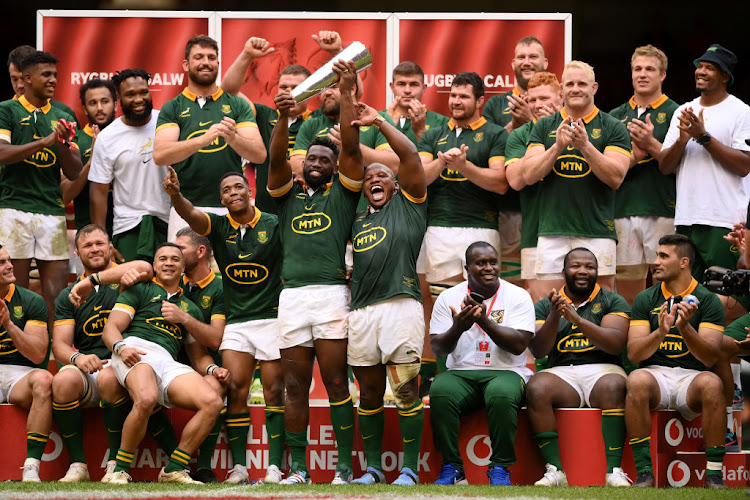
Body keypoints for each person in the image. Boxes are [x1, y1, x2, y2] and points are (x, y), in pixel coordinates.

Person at [268, 60, 363, 485]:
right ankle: (299, 469)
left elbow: (353, 149)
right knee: (294, 386)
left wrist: (345, 93)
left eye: (327, 158)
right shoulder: (286, 197)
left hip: (330, 296)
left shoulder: (343, 196)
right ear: (301, 164)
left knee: (338, 382)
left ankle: (344, 467)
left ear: (335, 166)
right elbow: (274, 160)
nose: (318, 162)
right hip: (292, 298)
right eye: (312, 158)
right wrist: (284, 118)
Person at [164, 169, 286, 484]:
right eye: (226, 189)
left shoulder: (272, 222)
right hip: (238, 322)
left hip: (271, 317)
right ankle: (240, 467)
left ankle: (274, 467)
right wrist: (176, 194)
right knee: (235, 391)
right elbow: (191, 215)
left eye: (238, 186)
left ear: (249, 191)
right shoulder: (218, 225)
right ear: (222, 199)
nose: (232, 191)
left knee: (274, 391)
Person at [340, 94, 427, 484]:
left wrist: (379, 123)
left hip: (401, 305)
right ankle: (372, 469)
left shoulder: (409, 204)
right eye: (369, 178)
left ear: (396, 185)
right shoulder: (356, 217)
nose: (375, 180)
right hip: (361, 312)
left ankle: (408, 469)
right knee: (370, 394)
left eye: (383, 177)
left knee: (406, 391)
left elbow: (410, 156)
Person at [101, 243, 224, 484]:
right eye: (163, 259)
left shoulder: (190, 308)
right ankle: (119, 470)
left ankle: (175, 468)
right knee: (146, 398)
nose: (169, 263)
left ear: (183, 268)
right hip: (135, 348)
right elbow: (111, 327)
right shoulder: (139, 290)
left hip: (167, 359)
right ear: (154, 266)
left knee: (213, 402)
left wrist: (212, 369)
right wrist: (120, 347)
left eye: (175, 259)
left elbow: (198, 356)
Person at [51, 225, 158, 483]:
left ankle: (114, 462)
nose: (95, 249)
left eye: (100, 243)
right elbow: (60, 345)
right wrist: (78, 358)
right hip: (89, 367)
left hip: (126, 362)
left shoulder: (126, 280)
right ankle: (78, 465)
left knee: (111, 377)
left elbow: (146, 267)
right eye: (88, 245)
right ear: (77, 252)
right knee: (63, 380)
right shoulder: (68, 295)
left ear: (111, 247)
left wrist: (92, 280)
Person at [625, 234, 727, 489]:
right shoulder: (645, 298)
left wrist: (684, 328)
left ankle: (714, 475)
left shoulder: (709, 300)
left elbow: (710, 357)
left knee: (713, 384)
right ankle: (645, 473)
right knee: (636, 378)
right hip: (655, 375)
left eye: (663, 256)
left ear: (683, 262)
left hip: (692, 377)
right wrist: (660, 332)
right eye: (656, 255)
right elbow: (634, 355)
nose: (655, 262)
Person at [522, 60, 631, 295]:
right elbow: (529, 175)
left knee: (601, 303)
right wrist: (556, 147)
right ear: (561, 90)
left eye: (582, 84)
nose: (575, 89)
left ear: (594, 88)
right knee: (547, 302)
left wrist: (586, 147)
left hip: (597, 230)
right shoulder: (543, 126)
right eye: (570, 84)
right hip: (552, 230)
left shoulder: (613, 126)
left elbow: (616, 177)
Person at [429, 241, 534, 486]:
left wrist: (484, 321)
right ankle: (452, 467)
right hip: (462, 373)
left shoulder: (518, 295)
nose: (489, 268)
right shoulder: (448, 297)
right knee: (441, 390)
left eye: (493, 262)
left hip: (506, 371)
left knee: (501, 394)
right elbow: (438, 349)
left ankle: (500, 467)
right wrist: (458, 327)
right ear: (467, 268)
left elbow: (519, 344)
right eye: (481, 263)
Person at [659, 44, 750, 325]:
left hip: (723, 220)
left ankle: (730, 365)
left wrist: (703, 136)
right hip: (686, 218)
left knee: (726, 299)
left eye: (709, 67)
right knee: (684, 298)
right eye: (699, 66)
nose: (701, 71)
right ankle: (693, 365)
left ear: (725, 76)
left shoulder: (741, 111)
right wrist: (684, 139)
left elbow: (744, 165)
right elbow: (664, 166)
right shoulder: (683, 111)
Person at [527, 248, 631, 487]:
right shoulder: (545, 305)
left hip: (605, 370)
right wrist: (555, 315)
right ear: (564, 272)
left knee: (615, 385)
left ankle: (614, 471)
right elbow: (539, 350)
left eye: (590, 267)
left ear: (597, 272)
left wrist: (578, 320)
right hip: (562, 374)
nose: (583, 271)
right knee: (536, 386)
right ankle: (555, 471)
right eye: (576, 266)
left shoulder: (612, 300)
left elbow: (615, 345)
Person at [153, 35, 266, 241]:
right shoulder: (173, 106)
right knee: (185, 270)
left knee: (233, 271)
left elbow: (259, 154)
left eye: (211, 57)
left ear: (218, 63)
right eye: (199, 57)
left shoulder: (236, 104)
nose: (206, 62)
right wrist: (202, 141)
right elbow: (161, 155)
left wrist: (233, 138)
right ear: (186, 65)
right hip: (186, 209)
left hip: (232, 208)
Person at [0, 50, 82, 329]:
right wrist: (44, 142)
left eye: (55, 75)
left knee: (57, 296)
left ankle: (58, 360)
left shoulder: (64, 114)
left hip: (51, 211)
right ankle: (21, 359)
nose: (53, 80)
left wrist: (60, 144)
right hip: (13, 208)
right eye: (46, 75)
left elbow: (74, 171)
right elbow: (1, 153)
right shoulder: (6, 110)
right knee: (16, 292)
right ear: (27, 78)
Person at [609, 45, 679, 305]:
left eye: (650, 69)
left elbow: (680, 164)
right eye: (637, 69)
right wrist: (634, 154)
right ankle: (630, 340)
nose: (642, 74)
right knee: (627, 281)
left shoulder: (677, 112)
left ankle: (665, 337)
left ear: (662, 75)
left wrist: (650, 145)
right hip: (622, 208)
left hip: (662, 206)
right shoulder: (614, 116)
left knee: (666, 279)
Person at [221, 35, 315, 213]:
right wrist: (247, 54)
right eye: (284, 87)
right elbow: (228, 92)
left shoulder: (319, 119)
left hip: (308, 211)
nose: (289, 92)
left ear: (309, 92)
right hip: (268, 213)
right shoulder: (263, 115)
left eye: (296, 88)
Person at [289, 31, 399, 176]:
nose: (327, 92)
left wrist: (352, 147)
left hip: (364, 198)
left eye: (334, 87)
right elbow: (296, 167)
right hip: (324, 198)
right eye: (323, 89)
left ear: (351, 89)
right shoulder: (311, 124)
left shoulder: (376, 120)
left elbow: (393, 165)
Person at [88, 69, 170, 262]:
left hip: (170, 223)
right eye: (130, 94)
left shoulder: (167, 122)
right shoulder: (107, 138)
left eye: (143, 92)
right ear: (118, 98)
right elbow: (98, 192)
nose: (138, 99)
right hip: (128, 227)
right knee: (131, 289)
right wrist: (102, 241)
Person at [172, 228, 228, 483]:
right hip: (169, 363)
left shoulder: (220, 287)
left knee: (216, 387)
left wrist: (185, 318)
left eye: (181, 248)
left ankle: (203, 467)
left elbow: (214, 338)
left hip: (204, 363)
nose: (175, 253)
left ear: (200, 251)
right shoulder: (170, 281)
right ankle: (173, 459)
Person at [504, 72, 563, 303]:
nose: (538, 105)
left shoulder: (578, 127)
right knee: (543, 307)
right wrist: (547, 136)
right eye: (532, 100)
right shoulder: (520, 135)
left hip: (581, 229)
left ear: (561, 97)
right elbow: (516, 181)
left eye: (545, 99)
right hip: (535, 233)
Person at [0, 244, 52, 482]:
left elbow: (38, 354)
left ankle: (31, 468)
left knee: (44, 380)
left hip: (21, 372)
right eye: (1, 262)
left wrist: (9, 325)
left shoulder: (31, 300)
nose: (10, 266)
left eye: (9, 260)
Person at [63, 78, 117, 232]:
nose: (99, 108)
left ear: (115, 104)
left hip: (127, 229)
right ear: (85, 109)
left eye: (105, 101)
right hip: (88, 233)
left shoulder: (127, 136)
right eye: (93, 103)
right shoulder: (75, 141)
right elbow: (64, 196)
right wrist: (91, 161)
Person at [483, 36, 549, 134]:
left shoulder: (558, 104)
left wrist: (529, 120)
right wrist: (513, 126)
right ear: (513, 64)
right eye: (521, 57)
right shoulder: (494, 104)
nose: (526, 62)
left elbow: (564, 146)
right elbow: (487, 147)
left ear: (545, 63)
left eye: (533, 57)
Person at [385, 61, 449, 145]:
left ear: (424, 88)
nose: (407, 90)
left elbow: (444, 156)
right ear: (392, 87)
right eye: (401, 84)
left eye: (414, 84)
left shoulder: (442, 122)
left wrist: (421, 132)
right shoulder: (376, 119)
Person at [7, 45, 76, 116]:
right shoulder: (4, 111)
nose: (19, 85)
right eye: (14, 79)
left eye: (24, 78)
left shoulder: (64, 112)